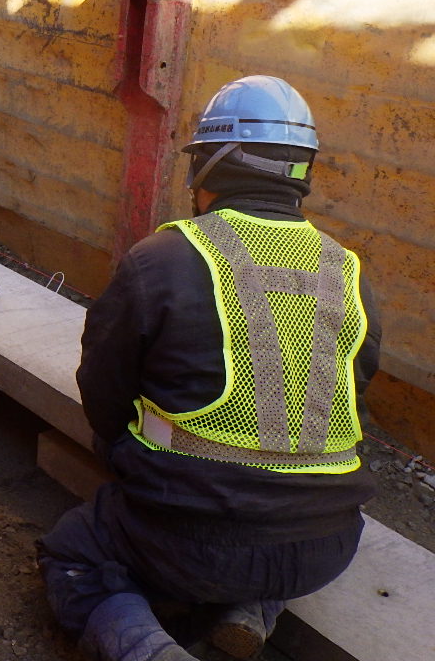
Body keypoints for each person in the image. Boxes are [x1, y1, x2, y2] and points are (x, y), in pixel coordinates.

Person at [37, 75, 381, 661]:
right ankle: (251, 608)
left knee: (75, 554)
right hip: (327, 546)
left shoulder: (164, 258)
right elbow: (357, 392)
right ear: (302, 172)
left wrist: (124, 456)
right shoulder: (348, 272)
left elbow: (103, 388)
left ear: (208, 169)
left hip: (188, 541)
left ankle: (149, 649)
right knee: (270, 542)